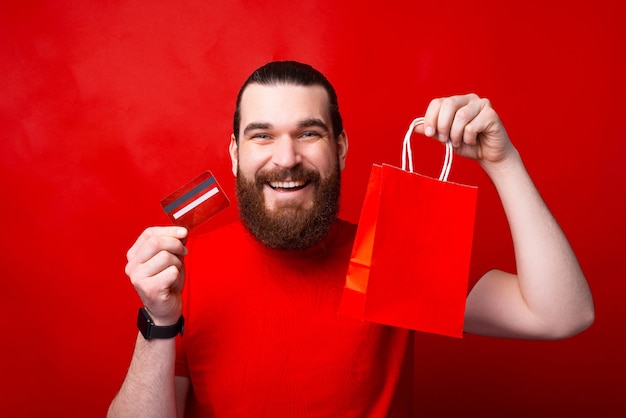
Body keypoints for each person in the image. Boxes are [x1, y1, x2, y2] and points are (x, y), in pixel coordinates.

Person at [107, 61, 594, 417]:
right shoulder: (184, 273)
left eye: (309, 133)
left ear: (339, 147)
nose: (286, 157)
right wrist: (159, 320)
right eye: (261, 136)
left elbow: (559, 314)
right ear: (234, 154)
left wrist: (502, 162)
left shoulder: (392, 257)